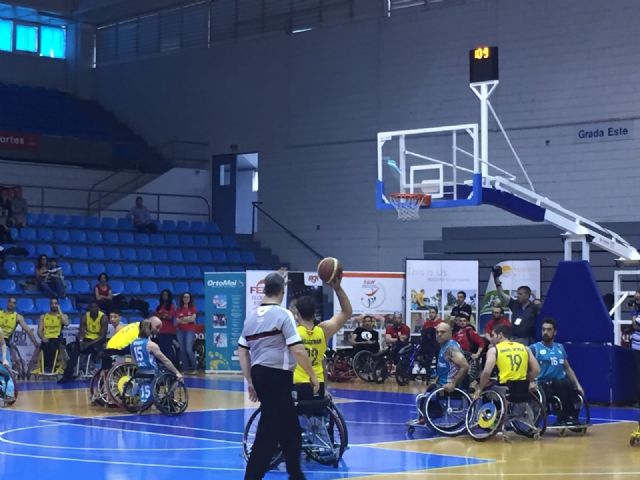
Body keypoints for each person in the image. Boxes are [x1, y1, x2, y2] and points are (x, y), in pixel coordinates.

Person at [238, 272, 318, 480]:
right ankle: (252, 477)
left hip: (259, 373)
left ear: (264, 290)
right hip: (277, 376)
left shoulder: (251, 317)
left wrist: (250, 382)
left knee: (290, 427)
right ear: (282, 292)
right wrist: (312, 375)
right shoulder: (283, 315)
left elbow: (242, 352)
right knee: (269, 431)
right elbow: (298, 349)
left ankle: (295, 474)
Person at [292, 274, 352, 400]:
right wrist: (337, 288)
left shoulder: (292, 332)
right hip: (318, 382)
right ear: (315, 313)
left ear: (297, 314)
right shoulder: (324, 330)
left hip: (296, 382)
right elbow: (347, 312)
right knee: (317, 414)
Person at [530, 317, 585, 426]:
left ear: (555, 332)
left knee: (569, 385)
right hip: (543, 384)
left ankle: (572, 417)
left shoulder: (560, 347)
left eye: (549, 329)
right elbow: (526, 368)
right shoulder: (534, 348)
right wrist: (530, 382)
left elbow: (567, 368)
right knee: (562, 383)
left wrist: (578, 385)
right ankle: (566, 416)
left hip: (561, 383)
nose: (545, 332)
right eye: (543, 329)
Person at [416, 323, 469, 424]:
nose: (439, 334)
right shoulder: (444, 346)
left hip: (449, 387)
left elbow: (465, 366)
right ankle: (428, 415)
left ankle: (433, 413)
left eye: (442, 332)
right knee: (427, 392)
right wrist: (437, 378)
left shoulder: (451, 348)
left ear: (450, 333)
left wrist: (453, 383)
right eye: (437, 332)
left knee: (427, 396)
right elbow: (445, 367)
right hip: (441, 383)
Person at [474, 324, 540, 399]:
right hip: (522, 389)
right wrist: (528, 381)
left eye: (493, 335)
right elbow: (536, 369)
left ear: (500, 335)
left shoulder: (494, 350)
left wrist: (480, 388)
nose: (491, 339)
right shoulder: (524, 348)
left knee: (486, 388)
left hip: (504, 389)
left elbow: (486, 372)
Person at [59, 302, 108, 383]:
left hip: (98, 341)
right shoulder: (85, 316)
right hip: (87, 339)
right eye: (91, 308)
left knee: (100, 349)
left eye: (95, 308)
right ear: (89, 309)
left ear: (98, 309)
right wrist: (81, 341)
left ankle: (102, 375)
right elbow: (81, 332)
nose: (93, 309)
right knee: (75, 351)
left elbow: (102, 336)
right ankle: (67, 375)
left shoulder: (104, 317)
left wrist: (89, 344)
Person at [37, 298, 69, 373]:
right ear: (50, 305)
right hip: (47, 337)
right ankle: (47, 367)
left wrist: (60, 311)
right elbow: (39, 331)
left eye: (55, 304)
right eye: (52, 304)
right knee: (46, 344)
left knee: (53, 344)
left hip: (57, 338)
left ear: (58, 305)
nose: (54, 305)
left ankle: (51, 367)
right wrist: (42, 337)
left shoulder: (63, 316)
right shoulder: (44, 316)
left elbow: (66, 323)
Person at [176, 292, 198, 374]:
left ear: (190, 298)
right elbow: (177, 320)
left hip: (190, 330)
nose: (186, 298)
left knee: (189, 349)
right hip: (180, 331)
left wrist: (183, 319)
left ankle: (195, 368)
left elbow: (192, 319)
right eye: (184, 297)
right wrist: (187, 319)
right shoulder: (178, 309)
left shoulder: (193, 308)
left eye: (188, 297)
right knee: (182, 350)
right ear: (182, 298)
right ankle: (185, 369)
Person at [155, 289, 178, 366]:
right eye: (163, 295)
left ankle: (171, 366)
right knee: (162, 349)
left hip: (169, 331)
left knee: (168, 350)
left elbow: (169, 316)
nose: (164, 296)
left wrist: (162, 315)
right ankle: (163, 366)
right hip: (160, 331)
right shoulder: (159, 306)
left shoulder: (171, 306)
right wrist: (163, 315)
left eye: (166, 295)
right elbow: (156, 317)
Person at [420, 306, 443, 379]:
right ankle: (427, 376)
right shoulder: (426, 323)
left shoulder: (441, 322)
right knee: (427, 361)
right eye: (430, 312)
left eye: (433, 312)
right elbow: (423, 334)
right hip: (428, 346)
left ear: (436, 313)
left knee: (438, 361)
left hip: (438, 345)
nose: (431, 314)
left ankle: (439, 376)